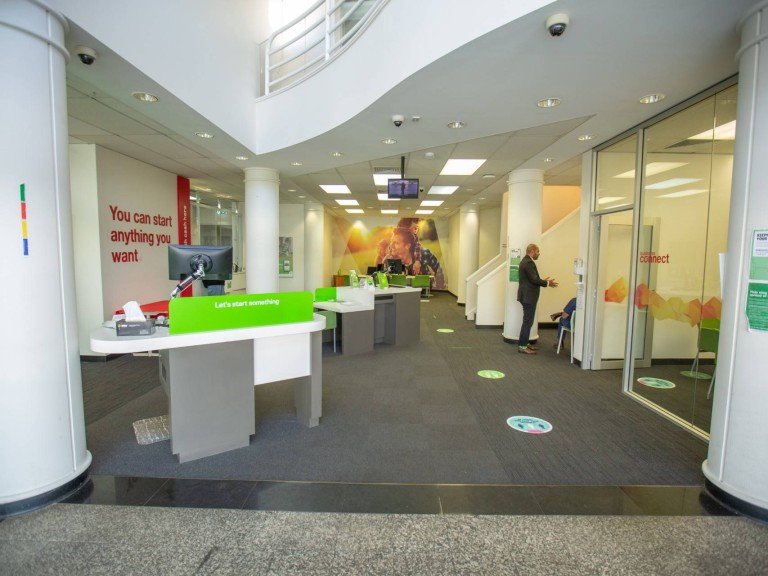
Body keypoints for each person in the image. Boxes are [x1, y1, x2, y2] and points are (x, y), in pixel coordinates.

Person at [517, 243, 558, 354]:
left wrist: (543, 281)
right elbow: (534, 280)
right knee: (527, 322)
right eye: (537, 251)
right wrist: (547, 283)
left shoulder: (524, 261)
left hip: (526, 296)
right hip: (528, 297)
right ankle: (522, 346)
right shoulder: (529, 263)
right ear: (532, 251)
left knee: (528, 321)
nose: (539, 253)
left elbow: (531, 280)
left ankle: (525, 344)